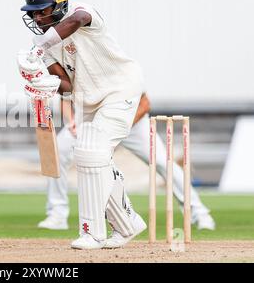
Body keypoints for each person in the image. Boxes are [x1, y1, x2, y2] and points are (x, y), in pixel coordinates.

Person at [18, 0, 146, 249]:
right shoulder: (41, 42)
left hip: (119, 89)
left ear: (59, 5)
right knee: (91, 156)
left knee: (93, 152)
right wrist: (44, 82)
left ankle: (92, 232)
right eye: (34, 12)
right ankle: (127, 223)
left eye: (43, 10)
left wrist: (40, 47)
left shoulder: (81, 11)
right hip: (87, 99)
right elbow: (66, 86)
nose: (38, 17)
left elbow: (77, 20)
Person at [38, 94, 216, 238]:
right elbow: (65, 97)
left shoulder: (120, 67)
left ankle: (199, 212)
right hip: (93, 123)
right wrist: (72, 122)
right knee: (58, 151)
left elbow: (145, 104)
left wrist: (120, 128)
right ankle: (57, 213)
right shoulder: (75, 65)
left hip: (133, 124)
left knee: (163, 161)